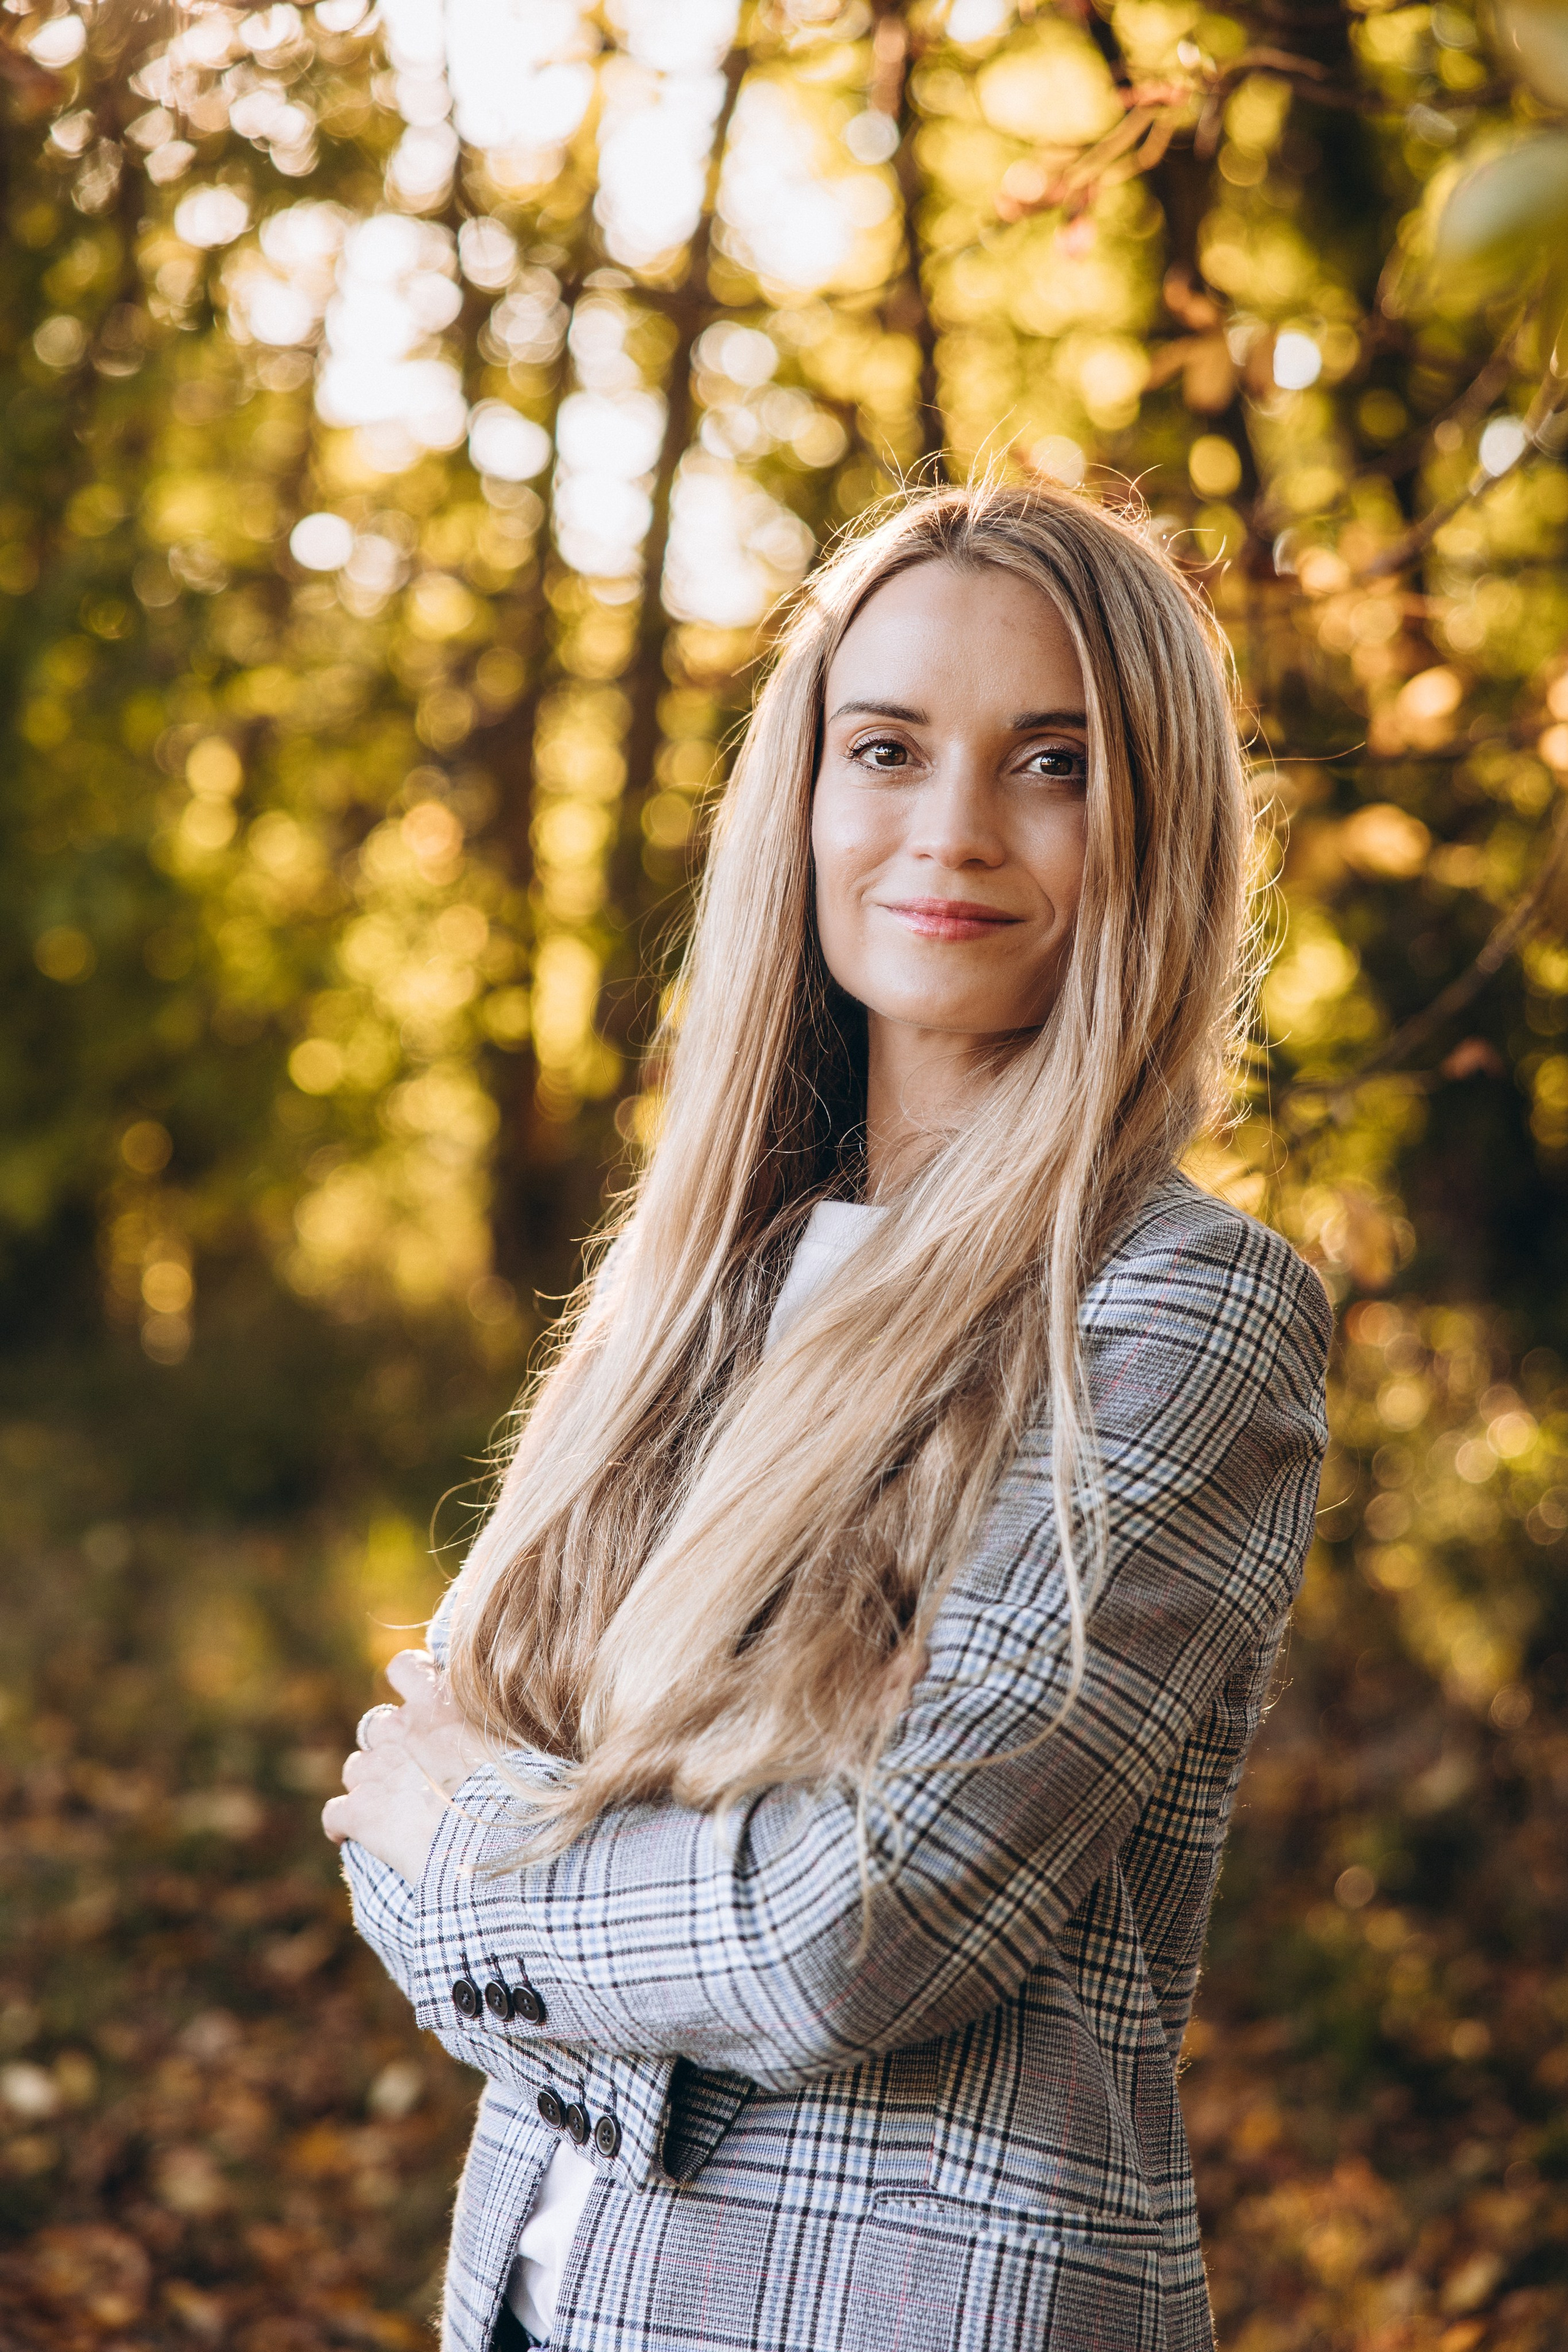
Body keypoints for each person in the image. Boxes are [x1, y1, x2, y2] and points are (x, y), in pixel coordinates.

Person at [323, 480, 1331, 2352]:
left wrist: (490, 1859)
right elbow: (403, 1806)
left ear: (1156, 822)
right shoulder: (697, 1281)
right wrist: (562, 1887)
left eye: (1053, 762)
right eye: (888, 748)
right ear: (802, 794)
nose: (951, 830)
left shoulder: (1182, 1309)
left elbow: (857, 1930)